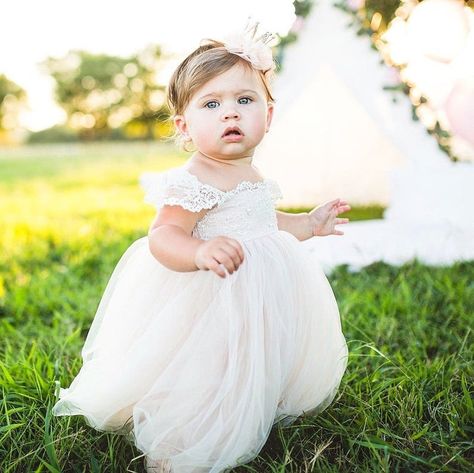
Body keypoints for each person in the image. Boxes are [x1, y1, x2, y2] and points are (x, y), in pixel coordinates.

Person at [52, 20, 350, 473]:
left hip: (259, 290)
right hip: (209, 297)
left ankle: (259, 398)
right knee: (209, 368)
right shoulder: (195, 178)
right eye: (212, 104)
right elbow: (163, 235)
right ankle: (181, 438)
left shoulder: (253, 174)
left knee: (260, 349)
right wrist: (197, 252)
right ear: (185, 126)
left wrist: (308, 223)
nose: (230, 113)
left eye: (244, 100)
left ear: (267, 117)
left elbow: (264, 223)